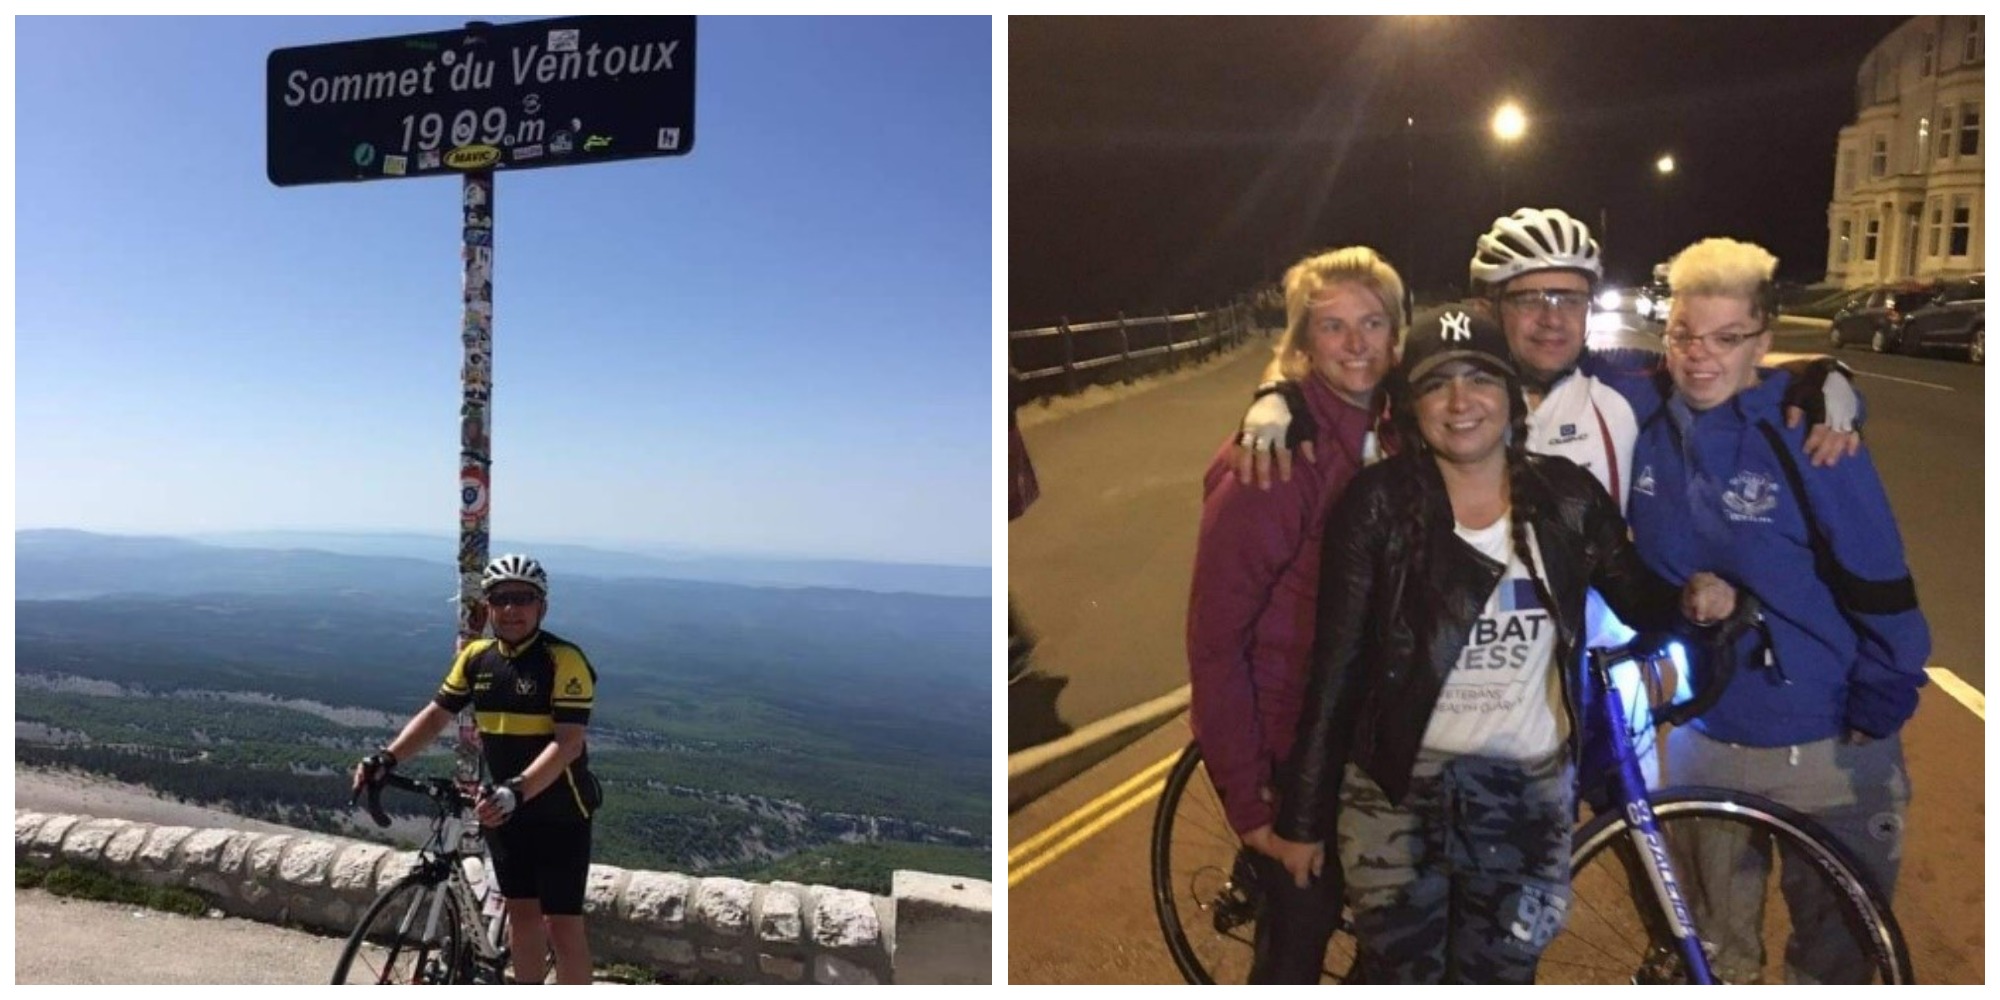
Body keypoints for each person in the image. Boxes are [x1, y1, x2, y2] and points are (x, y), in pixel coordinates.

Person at [1266, 306, 1741, 984]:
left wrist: (1697, 608)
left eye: (1480, 379)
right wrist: (1303, 818)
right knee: (1400, 977)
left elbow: (1642, 602)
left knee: (1503, 977)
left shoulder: (1566, 497)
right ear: (1411, 406)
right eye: (1437, 385)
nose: (1461, 403)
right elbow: (1335, 667)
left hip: (1524, 796)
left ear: (1511, 397)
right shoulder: (1376, 505)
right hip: (1398, 792)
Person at [1625, 237, 1929, 983]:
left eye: (1727, 339)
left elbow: (1879, 571)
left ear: (1762, 340)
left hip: (1824, 747)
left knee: (1834, 965)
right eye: (1686, 336)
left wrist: (1891, 682)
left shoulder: (1803, 430)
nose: (1701, 357)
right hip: (1704, 735)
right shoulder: (1644, 423)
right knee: (1715, 962)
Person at [1186, 245, 1402, 982]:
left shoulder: (1399, 432)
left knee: (1398, 925)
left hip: (1361, 742)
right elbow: (1214, 646)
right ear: (1303, 343)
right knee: (1297, 946)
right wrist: (1251, 813)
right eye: (1332, 326)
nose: (1355, 344)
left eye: (1371, 323)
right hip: (1288, 753)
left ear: (1396, 336)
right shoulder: (1269, 465)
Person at [353, 553, 603, 985]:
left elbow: (568, 744)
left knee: (561, 925)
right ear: (487, 606)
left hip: (561, 811)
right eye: (501, 598)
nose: (511, 608)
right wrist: (387, 757)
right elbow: (435, 716)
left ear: (542, 606)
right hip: (504, 811)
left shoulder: (563, 660)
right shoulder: (477, 658)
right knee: (522, 915)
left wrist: (517, 789)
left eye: (523, 598)